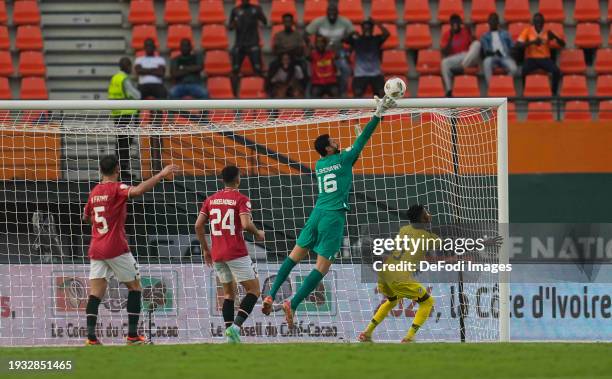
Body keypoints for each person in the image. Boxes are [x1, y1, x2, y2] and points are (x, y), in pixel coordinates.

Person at [261, 95, 397, 325]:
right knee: (321, 267)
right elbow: (363, 139)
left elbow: (346, 160)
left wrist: (351, 150)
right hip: (333, 217)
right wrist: (377, 113)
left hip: (316, 213)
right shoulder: (343, 159)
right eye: (333, 141)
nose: (337, 142)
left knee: (294, 256)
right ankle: (291, 304)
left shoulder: (319, 165)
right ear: (328, 147)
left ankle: (270, 294)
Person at [83, 155, 178, 345]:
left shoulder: (94, 192)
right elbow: (138, 190)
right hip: (115, 247)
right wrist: (160, 174)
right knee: (135, 288)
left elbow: (85, 217)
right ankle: (132, 336)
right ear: (118, 168)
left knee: (95, 294)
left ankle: (91, 338)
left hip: (96, 248)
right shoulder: (117, 188)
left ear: (101, 171)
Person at [195, 165, 265, 343]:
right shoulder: (241, 199)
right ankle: (235, 327)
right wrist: (258, 234)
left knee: (228, 294)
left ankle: (229, 336)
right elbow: (246, 224)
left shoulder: (210, 200)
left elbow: (198, 225)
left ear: (222, 180)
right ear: (238, 179)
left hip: (217, 253)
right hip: (236, 252)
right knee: (254, 290)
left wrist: (205, 249)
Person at [358, 205, 437, 343]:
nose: (429, 215)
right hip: (399, 276)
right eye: (426, 213)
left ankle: (366, 333)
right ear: (422, 218)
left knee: (392, 300)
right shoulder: (429, 238)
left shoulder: (404, 230)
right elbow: (438, 249)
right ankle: (409, 338)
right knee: (428, 302)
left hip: (385, 272)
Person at [305, 3, 354, 97]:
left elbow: (353, 36)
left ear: (337, 12)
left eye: (334, 11)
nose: (332, 13)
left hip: (339, 50)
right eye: (330, 11)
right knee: (308, 70)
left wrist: (348, 47)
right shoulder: (319, 21)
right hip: (321, 50)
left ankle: (342, 91)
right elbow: (306, 33)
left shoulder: (345, 22)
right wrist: (310, 45)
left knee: (345, 68)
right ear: (326, 12)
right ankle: (308, 97)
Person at [134, 38, 167, 173]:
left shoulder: (160, 60)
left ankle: (159, 118)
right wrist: (153, 71)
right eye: (146, 45)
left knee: (162, 93)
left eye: (151, 45)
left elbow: (161, 73)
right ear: (144, 47)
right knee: (136, 96)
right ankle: (135, 119)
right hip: (143, 86)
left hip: (157, 85)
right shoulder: (139, 59)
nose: (149, 47)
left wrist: (146, 70)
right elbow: (138, 71)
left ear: (154, 47)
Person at [108, 57, 141, 183]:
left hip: (117, 114)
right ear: (127, 66)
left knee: (120, 142)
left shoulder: (114, 78)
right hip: (127, 113)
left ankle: (118, 171)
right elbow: (135, 95)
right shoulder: (125, 79)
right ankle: (123, 171)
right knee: (126, 143)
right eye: (130, 66)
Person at [517, 12, 565, 95]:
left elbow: (563, 44)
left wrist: (555, 37)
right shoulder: (527, 30)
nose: (539, 24)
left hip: (545, 58)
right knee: (524, 70)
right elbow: (518, 45)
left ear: (543, 23)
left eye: (540, 22)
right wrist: (532, 42)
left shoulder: (548, 32)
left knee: (556, 71)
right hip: (531, 58)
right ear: (533, 22)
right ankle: (524, 92)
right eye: (537, 22)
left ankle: (554, 92)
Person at [345, 19, 389, 98]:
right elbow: (344, 40)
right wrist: (351, 33)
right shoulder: (357, 40)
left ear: (372, 29)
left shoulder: (376, 39)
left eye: (369, 28)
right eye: (365, 28)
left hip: (376, 73)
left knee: (382, 93)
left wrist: (378, 24)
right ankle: (358, 110)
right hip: (360, 74)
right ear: (362, 29)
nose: (367, 30)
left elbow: (386, 34)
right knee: (357, 94)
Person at [229, 0, 267, 90]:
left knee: (258, 69)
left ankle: (260, 93)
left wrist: (260, 17)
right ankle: (233, 96)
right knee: (235, 70)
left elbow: (265, 22)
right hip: (239, 44)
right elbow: (230, 27)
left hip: (253, 43)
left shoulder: (256, 9)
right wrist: (233, 24)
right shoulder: (235, 10)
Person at [440, 14, 481, 96]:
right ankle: (449, 90)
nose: (455, 25)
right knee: (444, 62)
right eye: (453, 23)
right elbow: (444, 52)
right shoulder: (447, 34)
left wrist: (471, 33)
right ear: (450, 24)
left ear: (460, 23)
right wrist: (451, 37)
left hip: (468, 58)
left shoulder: (465, 31)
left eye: (457, 23)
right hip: (456, 58)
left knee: (477, 44)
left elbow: (474, 46)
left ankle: (462, 67)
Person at [480, 13, 517, 86]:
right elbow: (486, 50)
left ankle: (506, 84)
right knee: (486, 62)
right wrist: (494, 53)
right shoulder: (484, 36)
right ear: (488, 22)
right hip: (492, 57)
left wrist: (511, 53)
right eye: (491, 21)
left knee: (514, 69)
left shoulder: (505, 33)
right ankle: (491, 87)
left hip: (504, 56)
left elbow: (512, 46)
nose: (493, 22)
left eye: (494, 20)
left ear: (498, 22)